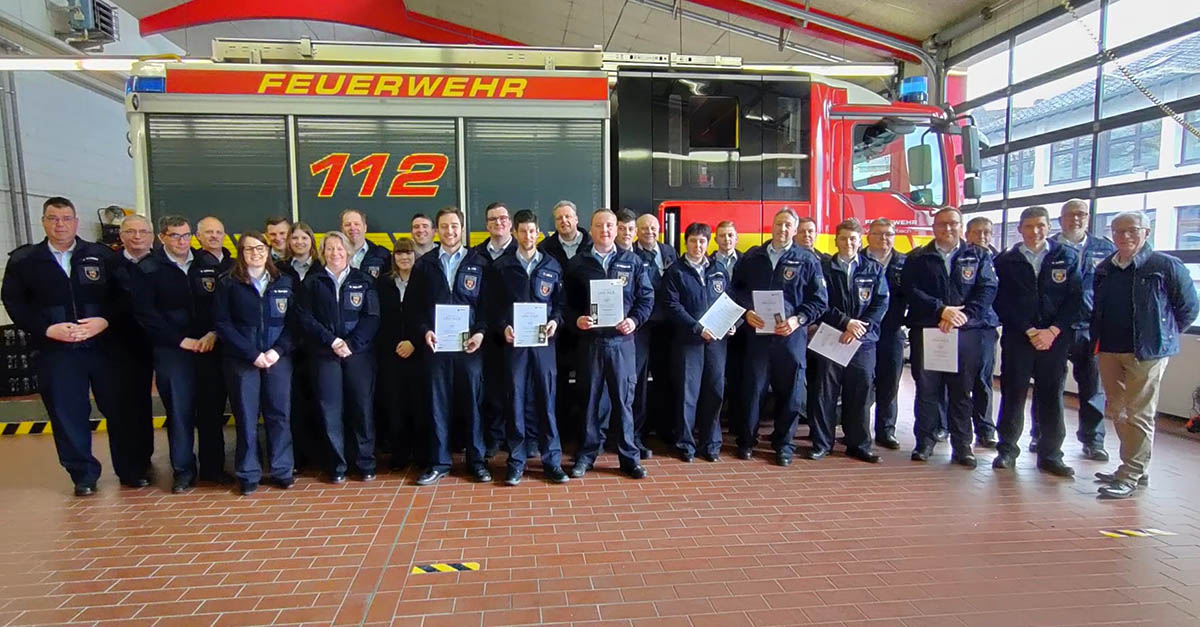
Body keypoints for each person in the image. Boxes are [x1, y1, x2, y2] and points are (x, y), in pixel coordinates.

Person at [1, 197, 145, 496]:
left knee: (121, 408)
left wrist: (105, 320)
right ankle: (83, 476)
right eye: (53, 218)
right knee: (67, 413)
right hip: (57, 349)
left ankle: (130, 470)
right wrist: (46, 329)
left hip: (105, 346)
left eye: (66, 218)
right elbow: (14, 303)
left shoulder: (102, 256)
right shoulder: (25, 261)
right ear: (43, 222)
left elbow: (126, 295)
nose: (60, 224)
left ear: (76, 222)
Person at [1092, 212, 1198, 499]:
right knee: (1118, 409)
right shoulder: (1105, 268)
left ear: (1146, 232)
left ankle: (1130, 473)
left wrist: (1162, 336)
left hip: (1147, 352)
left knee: (1139, 412)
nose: (1124, 236)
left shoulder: (1165, 266)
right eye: (1118, 231)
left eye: (1132, 230)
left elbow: (1187, 308)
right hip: (1110, 349)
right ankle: (1136, 466)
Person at [129, 215, 228, 493]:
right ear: (162, 237)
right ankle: (183, 471)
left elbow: (222, 306)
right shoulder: (147, 269)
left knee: (211, 411)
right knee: (180, 413)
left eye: (185, 236)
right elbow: (146, 315)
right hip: (173, 351)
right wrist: (180, 340)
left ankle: (214, 468)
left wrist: (213, 333)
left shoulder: (207, 264)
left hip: (209, 347)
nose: (181, 241)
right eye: (175, 236)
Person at [730, 208, 828, 466]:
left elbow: (819, 301)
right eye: (778, 224)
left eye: (788, 225)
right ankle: (746, 441)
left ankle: (784, 444)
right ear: (771, 226)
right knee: (753, 389)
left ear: (794, 230)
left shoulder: (807, 260)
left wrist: (799, 320)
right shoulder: (753, 257)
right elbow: (735, 290)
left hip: (790, 337)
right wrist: (746, 311)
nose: (782, 229)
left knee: (791, 393)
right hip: (758, 335)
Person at [902, 207, 998, 468]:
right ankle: (924, 441)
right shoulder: (918, 258)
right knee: (927, 390)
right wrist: (941, 310)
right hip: (929, 331)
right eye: (942, 224)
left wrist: (962, 316)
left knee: (962, 391)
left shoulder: (978, 255)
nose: (947, 229)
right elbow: (910, 290)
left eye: (953, 224)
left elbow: (987, 290)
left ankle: (962, 446)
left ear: (960, 226)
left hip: (966, 333)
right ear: (933, 227)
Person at [991, 206, 1082, 477]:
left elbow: (1076, 299)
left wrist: (1053, 331)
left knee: (1052, 397)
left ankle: (1051, 455)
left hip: (1054, 341)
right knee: (1013, 394)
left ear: (1048, 227)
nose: (1034, 231)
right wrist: (1029, 330)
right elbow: (1001, 301)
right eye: (1029, 226)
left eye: (1040, 225)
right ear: (1020, 229)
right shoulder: (1007, 261)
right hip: (1019, 339)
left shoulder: (1066, 257)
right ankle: (1007, 450)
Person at [564, 209, 654, 479]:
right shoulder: (577, 264)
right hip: (590, 343)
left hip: (622, 342)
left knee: (624, 401)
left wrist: (635, 321)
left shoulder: (633, 261)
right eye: (599, 225)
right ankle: (587, 456)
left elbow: (646, 298)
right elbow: (564, 304)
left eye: (610, 225)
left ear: (617, 230)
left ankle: (629, 458)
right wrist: (575, 319)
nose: (605, 230)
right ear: (590, 230)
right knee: (589, 400)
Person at [483, 210, 570, 485]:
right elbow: (491, 306)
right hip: (515, 345)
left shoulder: (552, 266)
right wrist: (502, 326)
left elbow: (560, 303)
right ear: (515, 233)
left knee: (547, 401)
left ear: (538, 233)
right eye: (523, 231)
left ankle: (552, 461)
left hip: (544, 346)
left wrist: (556, 321)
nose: (528, 236)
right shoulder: (502, 267)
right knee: (515, 400)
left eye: (532, 231)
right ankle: (517, 461)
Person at [407, 206, 490, 485]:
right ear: (436, 230)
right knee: (436, 404)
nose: (450, 231)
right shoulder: (424, 264)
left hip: (470, 348)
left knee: (474, 405)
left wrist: (480, 333)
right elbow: (413, 308)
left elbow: (489, 305)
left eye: (455, 226)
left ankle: (477, 462)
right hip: (437, 348)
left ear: (462, 229)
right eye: (444, 226)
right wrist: (424, 332)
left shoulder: (480, 261)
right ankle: (439, 462)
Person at [212, 231, 297, 495]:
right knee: (246, 417)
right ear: (241, 253)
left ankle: (282, 470)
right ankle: (249, 473)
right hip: (242, 360)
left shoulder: (284, 281)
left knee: (279, 415)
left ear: (268, 250)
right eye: (249, 249)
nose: (256, 254)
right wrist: (252, 354)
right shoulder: (228, 283)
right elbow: (222, 324)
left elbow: (295, 322)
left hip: (277, 358)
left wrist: (277, 350)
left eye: (260, 248)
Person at [296, 231, 380, 483]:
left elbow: (372, 317)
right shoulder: (312, 282)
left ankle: (364, 462)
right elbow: (304, 317)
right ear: (323, 252)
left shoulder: (364, 280)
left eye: (340, 248)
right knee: (330, 409)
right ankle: (337, 465)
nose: (335, 253)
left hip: (358, 355)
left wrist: (351, 344)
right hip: (324, 354)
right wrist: (331, 341)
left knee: (361, 408)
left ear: (348, 251)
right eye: (330, 249)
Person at [1042, 198, 1117, 461]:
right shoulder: (1048, 248)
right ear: (1060, 219)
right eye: (1071, 214)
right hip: (1056, 328)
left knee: (1093, 387)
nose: (1076, 219)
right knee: (1049, 385)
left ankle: (1093, 440)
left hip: (1091, 328)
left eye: (1082, 214)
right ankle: (1042, 436)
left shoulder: (1104, 248)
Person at [808, 219, 888, 463]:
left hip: (863, 341)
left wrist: (858, 328)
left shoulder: (873, 269)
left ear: (860, 240)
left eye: (853, 239)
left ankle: (859, 444)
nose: (848, 243)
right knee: (825, 392)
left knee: (860, 392)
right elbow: (820, 302)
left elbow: (880, 302)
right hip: (831, 337)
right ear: (836, 241)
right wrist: (845, 323)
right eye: (843, 238)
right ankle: (822, 444)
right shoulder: (823, 268)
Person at [663, 222, 734, 462]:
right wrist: (696, 327)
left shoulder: (719, 269)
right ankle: (685, 444)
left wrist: (733, 323)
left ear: (708, 242)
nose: (697, 245)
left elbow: (729, 300)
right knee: (687, 393)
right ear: (686, 243)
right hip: (688, 342)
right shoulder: (676, 271)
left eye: (702, 241)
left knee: (714, 391)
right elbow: (672, 306)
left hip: (716, 343)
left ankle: (711, 443)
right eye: (693, 241)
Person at [539, 200, 592, 442]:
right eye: (559, 218)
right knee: (556, 382)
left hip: (587, 325)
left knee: (587, 381)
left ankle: (584, 434)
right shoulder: (545, 248)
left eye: (568, 216)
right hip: (557, 326)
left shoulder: (593, 244)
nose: (564, 221)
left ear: (577, 218)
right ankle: (558, 433)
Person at [112, 214, 156, 483]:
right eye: (131, 231)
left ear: (152, 236)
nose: (137, 236)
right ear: (121, 236)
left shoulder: (163, 263)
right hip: (124, 344)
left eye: (142, 231)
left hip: (166, 342)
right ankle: (132, 467)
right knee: (128, 405)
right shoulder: (109, 265)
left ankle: (158, 456)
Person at [472, 202, 517, 459]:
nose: (498, 223)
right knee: (490, 388)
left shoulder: (521, 251)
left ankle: (518, 437)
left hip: (516, 331)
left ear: (510, 222)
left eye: (502, 218)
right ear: (487, 225)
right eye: (492, 219)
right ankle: (494, 436)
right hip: (486, 332)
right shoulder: (476, 255)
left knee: (518, 386)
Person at [277, 221, 321, 472]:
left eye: (305, 238)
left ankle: (318, 454)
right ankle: (297, 457)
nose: (300, 242)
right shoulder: (280, 270)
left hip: (317, 345)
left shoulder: (321, 267)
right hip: (289, 346)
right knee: (292, 403)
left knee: (319, 399)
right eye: (295, 239)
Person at [632, 213, 678, 455]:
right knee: (638, 380)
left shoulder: (669, 252)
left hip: (667, 327)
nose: (649, 231)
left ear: (659, 229)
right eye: (644, 228)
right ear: (636, 231)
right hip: (640, 327)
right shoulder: (631, 256)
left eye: (653, 227)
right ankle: (637, 434)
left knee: (665, 377)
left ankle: (664, 428)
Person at [376, 238, 423, 470]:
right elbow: (378, 319)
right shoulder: (384, 284)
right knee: (395, 403)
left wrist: (414, 342)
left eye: (409, 253)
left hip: (419, 352)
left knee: (419, 402)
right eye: (400, 253)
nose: (404, 258)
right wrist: (395, 344)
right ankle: (400, 453)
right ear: (393, 257)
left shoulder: (425, 281)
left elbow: (429, 314)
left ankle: (422, 452)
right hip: (391, 353)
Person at [864, 218, 906, 449]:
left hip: (892, 331)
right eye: (879, 233)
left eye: (889, 234)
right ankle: (857, 429)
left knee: (890, 382)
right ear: (868, 235)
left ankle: (886, 430)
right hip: (862, 332)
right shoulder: (858, 260)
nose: (884, 238)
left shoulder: (905, 263)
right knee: (860, 383)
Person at [964, 216, 1000, 447]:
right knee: (954, 380)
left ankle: (985, 429)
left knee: (983, 380)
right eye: (977, 232)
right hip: (960, 326)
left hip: (986, 327)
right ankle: (947, 426)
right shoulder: (960, 258)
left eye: (987, 232)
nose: (982, 236)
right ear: (967, 235)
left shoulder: (1003, 260)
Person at [341, 209, 390, 279]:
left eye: (356, 224)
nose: (352, 228)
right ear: (342, 229)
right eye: (347, 225)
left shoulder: (382, 255)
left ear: (365, 228)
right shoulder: (334, 256)